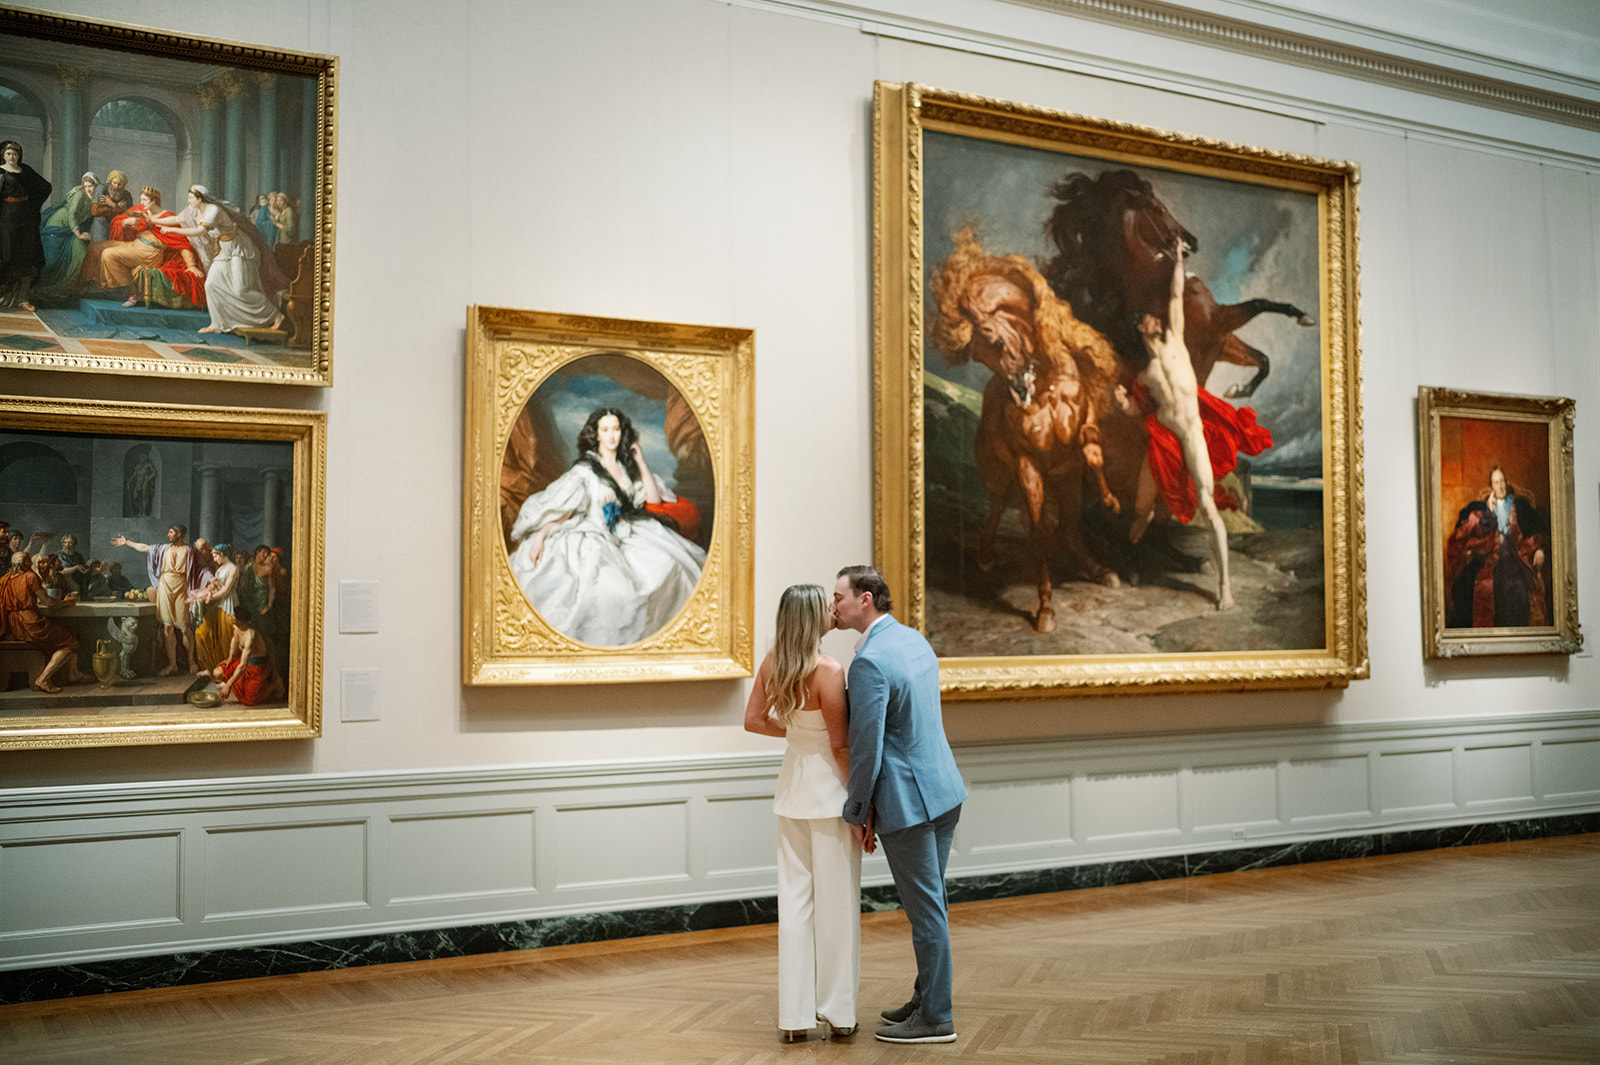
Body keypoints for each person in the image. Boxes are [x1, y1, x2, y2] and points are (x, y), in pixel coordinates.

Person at [833, 565, 967, 1044]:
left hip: (908, 803)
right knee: (933, 906)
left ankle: (936, 1018)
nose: (833, 606)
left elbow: (866, 746)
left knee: (925, 911)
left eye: (839, 597)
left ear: (865, 599)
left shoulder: (868, 661)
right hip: (944, 790)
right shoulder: (913, 640)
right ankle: (926, 997)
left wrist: (858, 812)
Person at [743, 584, 863, 1043]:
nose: (834, 611)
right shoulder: (829, 670)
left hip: (791, 790)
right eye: (827, 606)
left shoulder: (775, 662)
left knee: (794, 907)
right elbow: (840, 744)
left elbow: (753, 720)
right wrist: (862, 804)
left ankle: (794, 1018)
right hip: (830, 794)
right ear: (813, 616)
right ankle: (838, 1012)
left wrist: (795, 733)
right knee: (837, 906)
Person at [1126, 237, 1269, 611]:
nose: (1156, 318)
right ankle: (1140, 533)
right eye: (1149, 318)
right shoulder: (1144, 376)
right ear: (1142, 328)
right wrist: (1122, 403)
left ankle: (1225, 588)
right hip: (1162, 439)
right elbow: (1134, 411)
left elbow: (1175, 297)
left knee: (1207, 506)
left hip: (1190, 436)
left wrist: (1176, 257)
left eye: (1156, 317)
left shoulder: (1175, 343)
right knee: (1141, 508)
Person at [507, 407, 706, 646]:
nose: (612, 435)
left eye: (616, 429)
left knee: (670, 565)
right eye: (605, 429)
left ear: (622, 433)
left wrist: (640, 462)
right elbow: (564, 513)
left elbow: (652, 501)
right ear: (597, 435)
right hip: (593, 535)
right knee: (611, 590)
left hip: (627, 533)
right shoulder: (585, 472)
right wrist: (540, 536)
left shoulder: (626, 469)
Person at [151, 185, 285, 334]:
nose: (188, 201)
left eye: (191, 198)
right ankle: (217, 324)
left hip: (239, 247)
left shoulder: (213, 210)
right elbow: (176, 218)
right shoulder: (193, 210)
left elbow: (199, 231)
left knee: (241, 288)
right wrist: (151, 219)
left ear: (200, 198)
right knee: (211, 285)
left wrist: (173, 230)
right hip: (225, 248)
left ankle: (276, 315)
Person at [1445, 465, 1550, 628]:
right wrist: (1489, 512)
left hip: (1515, 554)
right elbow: (1472, 534)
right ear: (1491, 487)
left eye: (1502, 481)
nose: (1500, 486)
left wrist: (1539, 550)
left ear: (1506, 484)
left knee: (1518, 586)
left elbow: (1537, 528)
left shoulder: (1520, 505)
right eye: (1496, 482)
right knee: (1478, 585)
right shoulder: (1482, 508)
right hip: (1490, 557)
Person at [112, 524, 208, 675]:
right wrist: (127, 542)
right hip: (165, 586)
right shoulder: (164, 548)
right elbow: (145, 548)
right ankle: (172, 664)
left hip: (181, 587)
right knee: (167, 627)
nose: (168, 535)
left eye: (171, 532)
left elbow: (203, 569)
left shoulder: (190, 551)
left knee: (184, 628)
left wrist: (210, 582)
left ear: (179, 534)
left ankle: (191, 661)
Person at [0, 550, 84, 693]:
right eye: (28, 561)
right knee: (71, 642)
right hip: (31, 624)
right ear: (22, 564)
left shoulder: (4, 580)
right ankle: (43, 679)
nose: (31, 563)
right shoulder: (30, 577)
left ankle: (73, 673)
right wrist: (67, 603)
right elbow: (49, 602)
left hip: (13, 627)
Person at [0, 140, 52, 312]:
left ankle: (23, 298)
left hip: (26, 218)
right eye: (9, 153)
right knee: (7, 256)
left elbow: (45, 187)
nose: (12, 156)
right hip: (7, 217)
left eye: (15, 153)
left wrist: (33, 203)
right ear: (3, 155)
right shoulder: (1, 173)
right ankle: (4, 295)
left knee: (27, 256)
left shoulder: (26, 171)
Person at [33, 171, 98, 305]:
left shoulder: (93, 199)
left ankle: (70, 287)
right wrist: (79, 234)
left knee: (81, 252)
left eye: (91, 186)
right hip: (59, 225)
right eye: (86, 186)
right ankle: (42, 289)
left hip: (71, 230)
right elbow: (72, 215)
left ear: (96, 186)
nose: (88, 189)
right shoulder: (79, 195)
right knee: (53, 260)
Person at [211, 606, 283, 706]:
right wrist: (230, 658)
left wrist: (228, 684)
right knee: (217, 673)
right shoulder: (236, 626)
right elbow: (234, 641)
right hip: (243, 663)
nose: (231, 616)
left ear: (239, 620)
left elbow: (243, 665)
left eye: (234, 615)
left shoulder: (250, 636)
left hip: (256, 668)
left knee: (250, 701)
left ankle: (275, 685)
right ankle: (236, 685)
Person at [191, 542, 239, 674]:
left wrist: (209, 598)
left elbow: (225, 590)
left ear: (222, 554)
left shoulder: (233, 568)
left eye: (215, 556)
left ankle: (227, 673)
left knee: (226, 639)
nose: (213, 559)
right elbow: (215, 587)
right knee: (202, 633)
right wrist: (201, 592)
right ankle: (210, 667)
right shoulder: (219, 569)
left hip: (229, 605)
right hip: (218, 604)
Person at [89, 170, 132, 242]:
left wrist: (111, 204)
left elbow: (129, 214)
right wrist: (117, 208)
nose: (116, 186)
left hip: (117, 227)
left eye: (119, 184)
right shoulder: (101, 189)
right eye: (114, 183)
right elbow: (95, 211)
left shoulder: (126, 194)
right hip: (102, 226)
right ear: (110, 181)